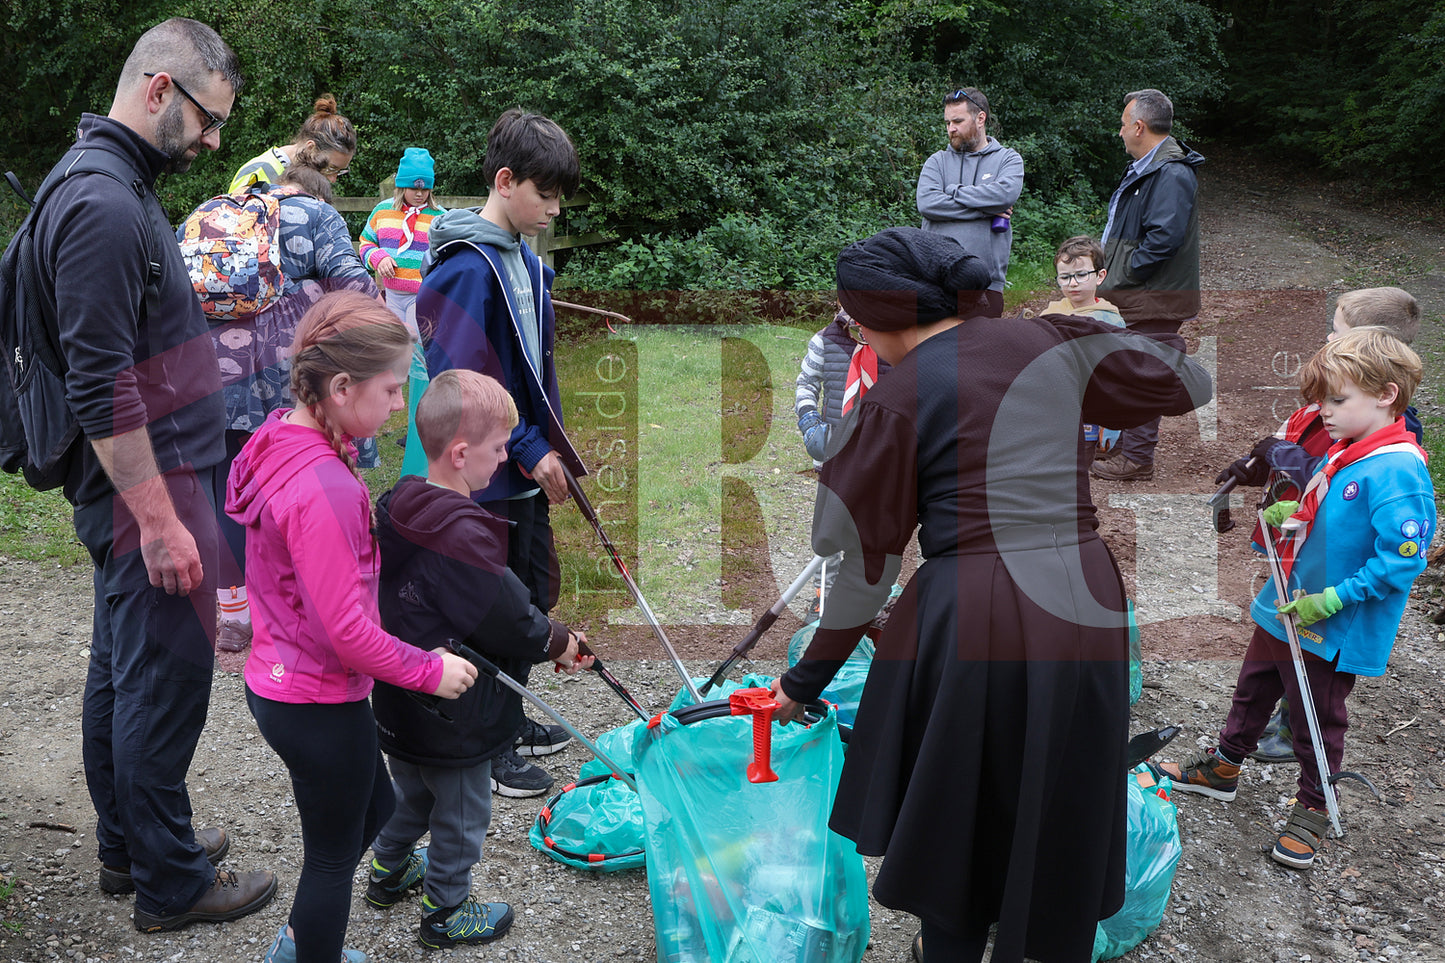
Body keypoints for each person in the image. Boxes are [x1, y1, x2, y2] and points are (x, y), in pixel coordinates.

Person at [770, 226, 1211, 963]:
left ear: (877, 315)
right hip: (1083, 598)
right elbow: (1182, 381)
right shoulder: (1044, 343)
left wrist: (802, 679)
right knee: (1061, 776)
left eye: (853, 321)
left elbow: (862, 566)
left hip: (976, 606)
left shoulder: (897, 395)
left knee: (963, 801)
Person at [27, 17, 278, 931]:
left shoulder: (105, 181)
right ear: (161, 91)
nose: (216, 142)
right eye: (209, 120)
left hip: (152, 482)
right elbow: (97, 379)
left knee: (125, 669)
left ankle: (129, 850)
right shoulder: (101, 205)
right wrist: (164, 522)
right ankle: (169, 883)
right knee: (162, 680)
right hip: (151, 490)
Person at [227, 291, 478, 963]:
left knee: (374, 804)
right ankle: (308, 952)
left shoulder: (280, 431)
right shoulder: (326, 487)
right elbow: (347, 634)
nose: (400, 405)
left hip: (282, 679)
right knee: (333, 860)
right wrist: (431, 668)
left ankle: (301, 944)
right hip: (313, 698)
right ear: (340, 387)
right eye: (392, 389)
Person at [1149, 328, 1432, 871]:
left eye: (1336, 399)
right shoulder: (1347, 449)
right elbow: (1319, 504)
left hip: (1331, 619)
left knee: (1315, 714)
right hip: (1285, 599)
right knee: (1254, 685)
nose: (1321, 410)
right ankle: (1225, 766)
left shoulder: (1398, 468)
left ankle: (1315, 804)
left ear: (1386, 394)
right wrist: (1294, 514)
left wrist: (1332, 600)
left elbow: (1402, 558)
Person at [365, 369, 592, 948]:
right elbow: (509, 613)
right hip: (452, 712)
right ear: (462, 453)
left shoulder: (399, 503)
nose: (502, 460)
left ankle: (388, 871)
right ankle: (446, 909)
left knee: (411, 794)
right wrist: (559, 641)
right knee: (462, 818)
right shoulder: (461, 533)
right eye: (497, 450)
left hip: (399, 699)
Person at [409, 108, 582, 798]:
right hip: (485, 476)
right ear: (506, 181)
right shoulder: (466, 268)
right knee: (488, 605)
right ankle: (487, 739)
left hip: (523, 473)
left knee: (532, 591)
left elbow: (536, 372)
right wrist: (527, 445)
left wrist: (553, 448)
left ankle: (507, 714)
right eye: (545, 193)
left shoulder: (525, 265)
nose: (555, 207)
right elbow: (467, 379)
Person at [1211, 286, 1424, 764]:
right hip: (1301, 559)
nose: (1328, 337)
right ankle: (1231, 756)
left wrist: (1282, 457)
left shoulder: (1390, 440)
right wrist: (1264, 468)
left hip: (1335, 582)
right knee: (1267, 661)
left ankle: (1295, 738)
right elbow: (1314, 460)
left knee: (1313, 684)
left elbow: (1343, 485)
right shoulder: (1335, 401)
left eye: (1339, 331)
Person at [192, 162, 383, 653]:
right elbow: (355, 287)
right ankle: (297, 603)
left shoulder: (217, 213)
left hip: (215, 376)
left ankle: (235, 617)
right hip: (287, 384)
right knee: (300, 490)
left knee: (228, 494)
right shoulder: (318, 215)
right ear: (315, 192)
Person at [1091, 88, 1205, 482]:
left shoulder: (1170, 173)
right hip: (1144, 291)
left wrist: (1122, 275)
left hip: (1155, 294)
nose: (1120, 133)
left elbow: (1163, 240)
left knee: (1145, 371)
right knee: (1132, 367)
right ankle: (1128, 448)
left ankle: (1137, 458)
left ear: (1139, 126)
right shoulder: (1149, 167)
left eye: (1123, 125)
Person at [793, 305, 890, 615]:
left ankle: (867, 600)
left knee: (872, 531)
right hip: (835, 454)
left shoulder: (891, 343)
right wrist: (809, 422)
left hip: (879, 454)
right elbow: (806, 383)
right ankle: (825, 594)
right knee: (831, 528)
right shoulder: (824, 341)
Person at [359, 147, 445, 477]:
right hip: (391, 296)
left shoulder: (440, 218)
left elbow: (448, 255)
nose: (420, 193)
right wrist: (377, 257)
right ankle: (369, 422)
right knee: (386, 356)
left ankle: (419, 431)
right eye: (414, 187)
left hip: (422, 300)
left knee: (417, 356)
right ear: (402, 186)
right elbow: (366, 243)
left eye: (425, 187)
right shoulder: (382, 213)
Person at [915, 86, 1024, 318]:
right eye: (947, 123)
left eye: (957, 121)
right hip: (936, 283)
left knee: (982, 353)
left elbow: (1003, 196)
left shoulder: (1008, 159)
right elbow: (927, 203)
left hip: (985, 285)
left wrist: (953, 191)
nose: (950, 129)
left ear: (980, 118)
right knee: (937, 353)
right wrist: (985, 211)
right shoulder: (937, 162)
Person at [1042, 235, 1125, 461]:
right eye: (1065, 277)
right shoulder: (1051, 314)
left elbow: (1117, 377)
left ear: (1100, 276)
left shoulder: (1110, 322)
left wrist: (1111, 426)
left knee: (1078, 471)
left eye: (1081, 275)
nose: (1073, 283)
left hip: (1088, 414)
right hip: (1052, 414)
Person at [228, 94, 356, 192]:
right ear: (311, 148)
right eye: (331, 168)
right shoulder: (257, 173)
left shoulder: (309, 182)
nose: (333, 180)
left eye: (339, 172)